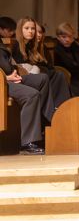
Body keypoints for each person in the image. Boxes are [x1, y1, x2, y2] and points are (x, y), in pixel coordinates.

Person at [0, 16, 47, 154]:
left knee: (42, 79)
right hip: (3, 81)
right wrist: (6, 76)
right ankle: (28, 142)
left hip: (10, 77)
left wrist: (13, 73)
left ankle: (42, 123)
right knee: (32, 95)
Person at [11, 17, 71, 119]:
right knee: (50, 76)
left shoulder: (31, 45)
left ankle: (62, 109)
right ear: (20, 30)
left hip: (37, 74)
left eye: (32, 28)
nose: (30, 31)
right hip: (23, 77)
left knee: (58, 75)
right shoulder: (16, 45)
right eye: (26, 28)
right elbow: (22, 67)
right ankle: (55, 113)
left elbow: (46, 64)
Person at [54, 23, 79, 96]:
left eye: (70, 36)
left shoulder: (76, 46)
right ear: (58, 37)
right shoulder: (58, 49)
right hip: (67, 77)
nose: (67, 39)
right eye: (64, 37)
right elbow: (70, 65)